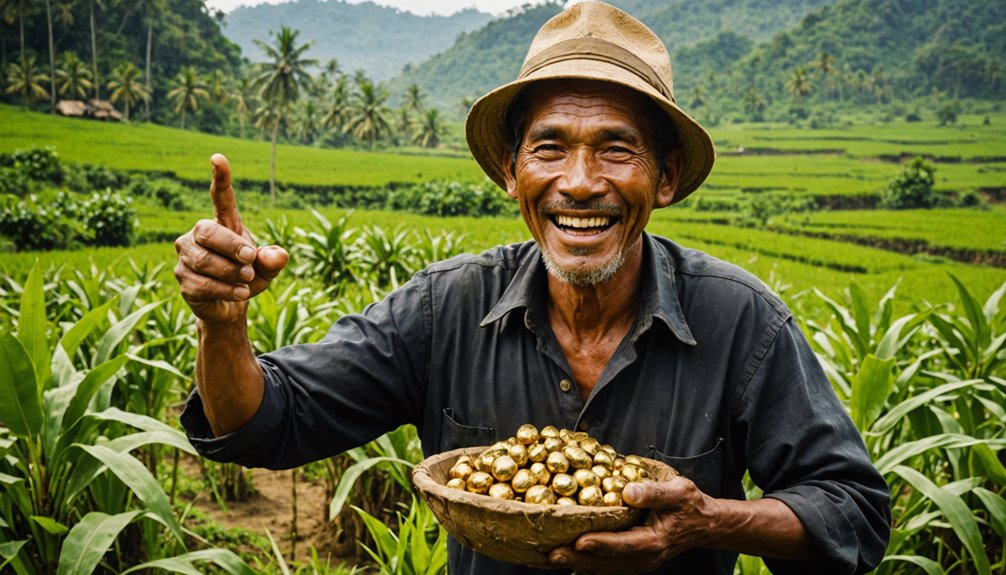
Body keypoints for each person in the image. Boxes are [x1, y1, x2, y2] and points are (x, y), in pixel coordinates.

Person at [174, 2, 891, 573]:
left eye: (616, 147)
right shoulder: (442, 307)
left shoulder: (740, 320)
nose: (580, 183)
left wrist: (708, 520)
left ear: (665, 177)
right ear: (511, 172)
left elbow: (851, 512)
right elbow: (259, 422)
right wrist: (222, 324)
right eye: (550, 147)